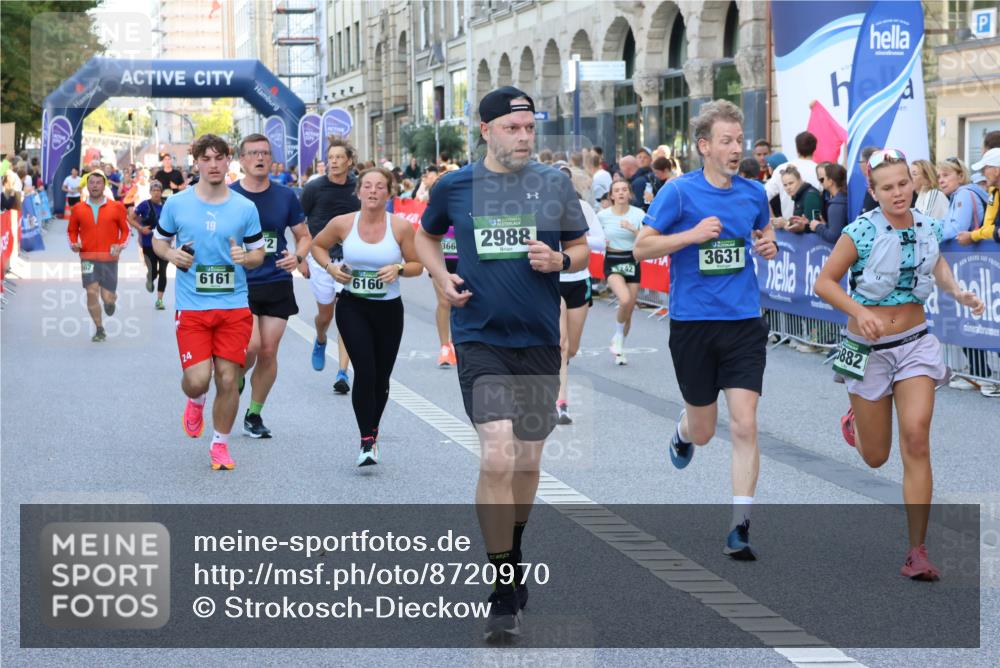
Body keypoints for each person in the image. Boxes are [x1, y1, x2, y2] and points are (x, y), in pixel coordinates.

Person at [415, 86, 589, 640]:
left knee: (527, 463)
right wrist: (440, 277)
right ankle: (502, 580)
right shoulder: (455, 185)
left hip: (538, 340)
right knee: (497, 455)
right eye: (512, 128)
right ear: (486, 130)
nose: (523, 137)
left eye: (529, 128)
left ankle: (512, 548)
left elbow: (582, 249)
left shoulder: (554, 184)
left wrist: (562, 258)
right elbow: (424, 236)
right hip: (480, 339)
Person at [814, 149, 984, 580]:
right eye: (887, 187)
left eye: (903, 184)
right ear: (873, 192)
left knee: (917, 438)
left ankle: (917, 551)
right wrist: (860, 311)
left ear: (912, 182)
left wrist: (957, 292)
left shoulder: (929, 225)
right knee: (875, 456)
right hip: (864, 348)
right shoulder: (861, 232)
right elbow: (824, 283)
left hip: (915, 343)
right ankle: (857, 417)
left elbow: (938, 263)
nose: (897, 193)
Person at [634, 99, 778, 561]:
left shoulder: (753, 192)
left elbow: (763, 229)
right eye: (726, 141)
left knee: (746, 424)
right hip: (693, 323)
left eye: (739, 140)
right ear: (704, 146)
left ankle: (740, 525)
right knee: (703, 429)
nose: (737, 149)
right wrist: (691, 236)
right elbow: (641, 248)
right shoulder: (678, 193)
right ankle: (682, 429)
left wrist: (768, 242)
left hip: (743, 322)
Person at [152, 134, 266, 470]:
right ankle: (196, 400)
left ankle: (220, 444)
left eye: (220, 158)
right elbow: (159, 242)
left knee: (229, 378)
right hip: (193, 308)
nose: (214, 165)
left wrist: (246, 258)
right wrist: (171, 254)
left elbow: (259, 253)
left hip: (234, 306)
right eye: (207, 159)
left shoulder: (245, 208)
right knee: (199, 379)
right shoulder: (177, 204)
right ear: (197, 162)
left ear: (228, 161)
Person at [311, 168, 422, 465]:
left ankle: (373, 430)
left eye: (380, 187)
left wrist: (398, 269)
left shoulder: (399, 227)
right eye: (367, 186)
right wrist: (331, 268)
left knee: (381, 378)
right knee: (366, 371)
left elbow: (417, 265)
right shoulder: (343, 223)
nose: (373, 191)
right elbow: (317, 246)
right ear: (358, 191)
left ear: (389, 193)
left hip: (388, 309)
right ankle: (366, 442)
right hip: (352, 306)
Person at [230, 134, 312, 438]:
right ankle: (236, 379)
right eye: (252, 153)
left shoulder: (286, 196)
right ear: (242, 160)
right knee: (249, 346)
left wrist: (298, 256)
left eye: (264, 152)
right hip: (241, 282)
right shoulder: (229, 195)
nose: (260, 158)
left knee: (268, 350)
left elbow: (303, 234)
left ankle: (253, 414)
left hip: (277, 279)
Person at [300, 137, 362, 394]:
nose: (333, 162)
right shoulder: (314, 188)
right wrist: (302, 257)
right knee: (326, 315)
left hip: (350, 258)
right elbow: (299, 223)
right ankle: (322, 337)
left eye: (339, 157)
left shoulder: (359, 187)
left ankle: (342, 373)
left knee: (346, 314)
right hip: (321, 257)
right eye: (330, 158)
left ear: (349, 161)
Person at [557, 167, 605, 424]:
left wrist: (579, 239)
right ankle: (560, 403)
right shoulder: (541, 208)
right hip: (551, 282)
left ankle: (557, 377)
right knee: (561, 346)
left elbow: (600, 241)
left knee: (571, 348)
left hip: (578, 280)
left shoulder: (583, 208)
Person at [68, 170, 130, 342]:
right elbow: (72, 231)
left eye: (98, 182)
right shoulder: (78, 209)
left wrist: (120, 246)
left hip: (109, 259)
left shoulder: (116, 207)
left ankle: (111, 301)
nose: (94, 185)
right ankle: (99, 328)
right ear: (87, 186)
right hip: (87, 257)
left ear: (104, 185)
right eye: (91, 182)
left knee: (107, 296)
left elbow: (126, 230)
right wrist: (74, 244)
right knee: (91, 292)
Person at [599, 180, 645, 365]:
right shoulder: (602, 216)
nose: (620, 193)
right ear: (611, 195)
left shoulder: (638, 214)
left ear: (630, 194)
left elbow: (648, 238)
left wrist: (633, 229)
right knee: (624, 299)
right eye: (617, 191)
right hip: (613, 260)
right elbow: (591, 236)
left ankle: (620, 350)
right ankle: (617, 337)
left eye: (624, 190)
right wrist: (602, 241)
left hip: (632, 260)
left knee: (629, 309)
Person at [130, 180, 168, 309]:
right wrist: (140, 229)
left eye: (158, 190)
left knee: (163, 271)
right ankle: (150, 278)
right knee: (153, 272)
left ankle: (159, 300)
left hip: (164, 243)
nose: (156, 193)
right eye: (154, 190)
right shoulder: (144, 205)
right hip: (148, 243)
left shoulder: (167, 205)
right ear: (150, 192)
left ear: (161, 192)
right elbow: (130, 218)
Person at [765, 131, 820, 219]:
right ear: (815, 148)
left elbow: (763, 195)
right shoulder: (819, 170)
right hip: (811, 227)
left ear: (797, 148)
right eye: (787, 184)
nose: (789, 187)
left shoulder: (781, 168)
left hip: (794, 227)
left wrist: (772, 219)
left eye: (791, 183)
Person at [938, 157, 988, 242]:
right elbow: (944, 223)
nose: (940, 181)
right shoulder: (957, 195)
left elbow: (958, 230)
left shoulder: (964, 194)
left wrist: (932, 237)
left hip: (971, 253)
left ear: (961, 176)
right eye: (938, 177)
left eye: (945, 175)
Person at [958, 147, 1000, 247]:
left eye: (984, 168)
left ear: (997, 170)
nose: (983, 173)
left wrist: (972, 236)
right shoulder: (994, 191)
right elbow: (988, 227)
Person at [774, 165, 822, 234]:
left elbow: (814, 226)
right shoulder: (799, 196)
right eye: (785, 185)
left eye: (791, 183)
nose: (788, 188)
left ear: (800, 180)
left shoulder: (810, 196)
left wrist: (786, 223)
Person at [809, 162, 849, 244]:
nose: (820, 182)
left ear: (830, 182)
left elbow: (834, 236)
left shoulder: (836, 205)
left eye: (822, 179)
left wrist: (817, 226)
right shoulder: (845, 198)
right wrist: (825, 226)